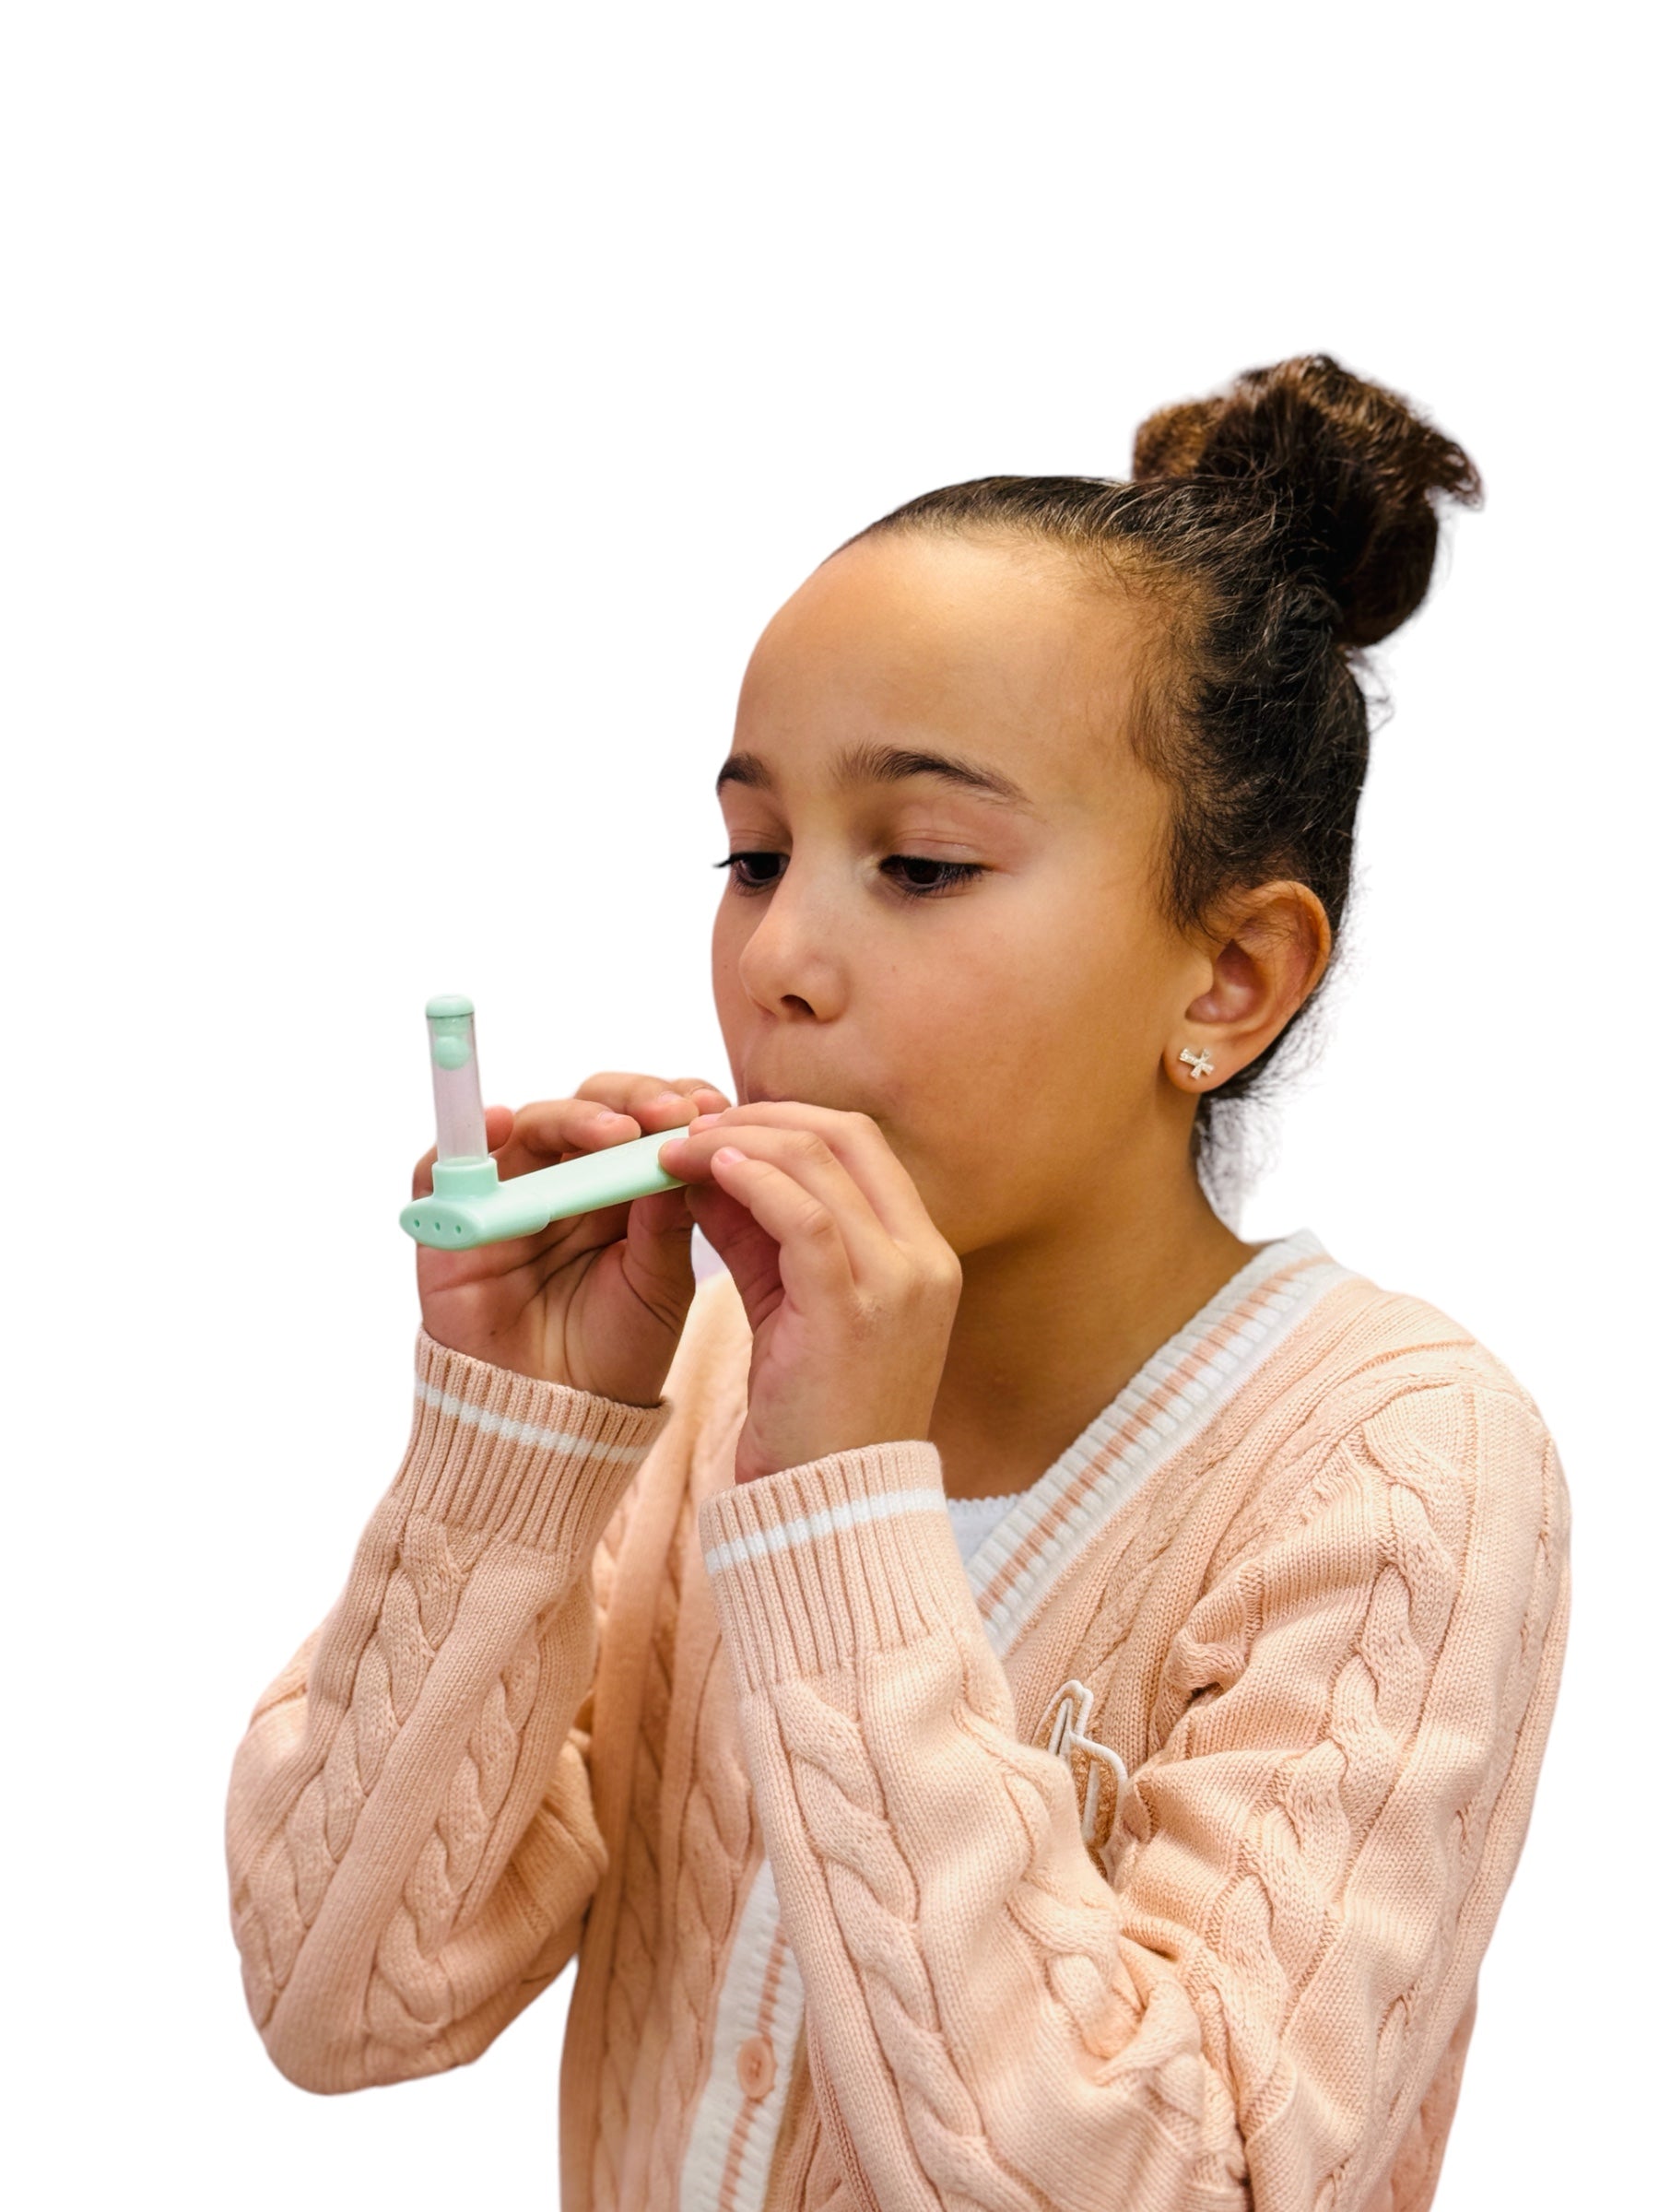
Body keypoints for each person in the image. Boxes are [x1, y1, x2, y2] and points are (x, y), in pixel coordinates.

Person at [224, 353, 1571, 2212]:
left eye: (922, 864)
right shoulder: (706, 1366)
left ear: (1230, 981)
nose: (778, 957)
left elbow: (1194, 2182)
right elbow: (334, 1998)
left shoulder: (1406, 1466)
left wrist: (847, 1510)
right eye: (752, 853)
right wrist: (523, 1445)